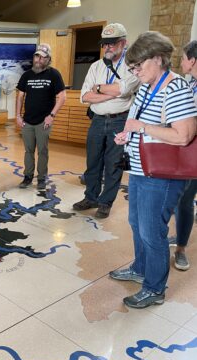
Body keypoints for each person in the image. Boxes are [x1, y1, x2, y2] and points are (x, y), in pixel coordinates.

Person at [109, 31, 197, 309]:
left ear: (158, 59)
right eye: (132, 67)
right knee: (137, 224)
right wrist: (127, 135)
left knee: (152, 231)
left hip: (162, 175)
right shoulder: (147, 86)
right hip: (140, 168)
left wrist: (142, 128)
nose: (136, 71)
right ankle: (140, 268)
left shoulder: (176, 88)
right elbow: (135, 119)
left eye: (139, 66)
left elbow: (183, 136)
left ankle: (155, 287)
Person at [72, 23, 139, 219]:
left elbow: (125, 89)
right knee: (92, 162)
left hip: (120, 121)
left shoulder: (132, 65)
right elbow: (84, 96)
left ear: (123, 43)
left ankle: (105, 202)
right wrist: (114, 93)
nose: (107, 47)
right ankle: (90, 197)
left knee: (113, 164)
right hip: (98, 121)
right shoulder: (96, 66)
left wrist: (99, 89)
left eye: (112, 43)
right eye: (104, 44)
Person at [15, 44, 66, 190]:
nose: (39, 59)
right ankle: (28, 177)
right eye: (37, 56)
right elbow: (20, 96)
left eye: (43, 57)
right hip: (27, 121)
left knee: (42, 151)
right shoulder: (27, 75)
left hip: (44, 121)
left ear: (48, 59)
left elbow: (62, 97)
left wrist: (52, 115)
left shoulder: (54, 74)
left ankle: (42, 177)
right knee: (28, 150)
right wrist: (18, 116)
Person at [168, 40, 197, 271]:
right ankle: (177, 237)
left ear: (193, 61)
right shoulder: (189, 83)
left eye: (184, 58)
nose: (181, 62)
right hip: (184, 150)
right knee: (179, 197)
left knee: (185, 201)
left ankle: (181, 250)